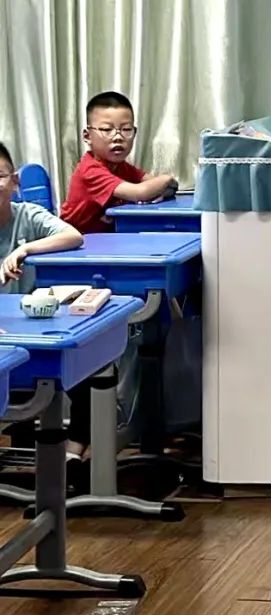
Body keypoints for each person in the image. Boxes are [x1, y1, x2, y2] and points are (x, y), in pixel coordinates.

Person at [59, 91, 179, 460]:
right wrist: (166, 179)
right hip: (70, 271)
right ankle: (78, 444)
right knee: (86, 356)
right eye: (107, 129)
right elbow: (146, 190)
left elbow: (148, 186)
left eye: (126, 130)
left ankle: (117, 433)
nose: (117, 137)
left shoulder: (120, 168)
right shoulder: (91, 170)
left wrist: (158, 185)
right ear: (87, 135)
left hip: (104, 264)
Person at [0, 142, 84, 292]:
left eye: (0, 176)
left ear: (15, 181)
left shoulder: (28, 215)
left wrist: (25, 249)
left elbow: (73, 236)